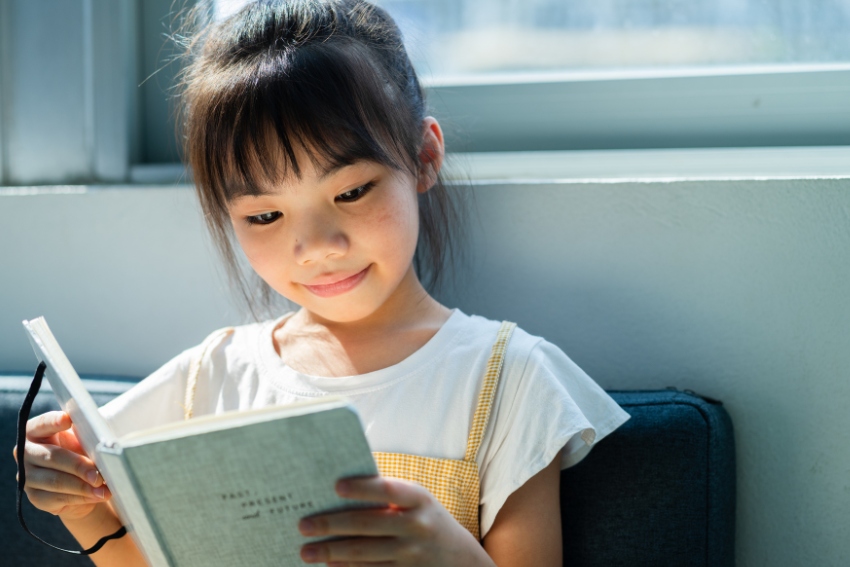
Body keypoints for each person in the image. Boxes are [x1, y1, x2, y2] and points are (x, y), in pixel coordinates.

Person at [14, 1, 630, 565]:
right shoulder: (211, 377)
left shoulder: (508, 380)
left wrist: (450, 554)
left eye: (352, 191)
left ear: (423, 159)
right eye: (264, 216)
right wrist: (77, 500)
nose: (317, 249)